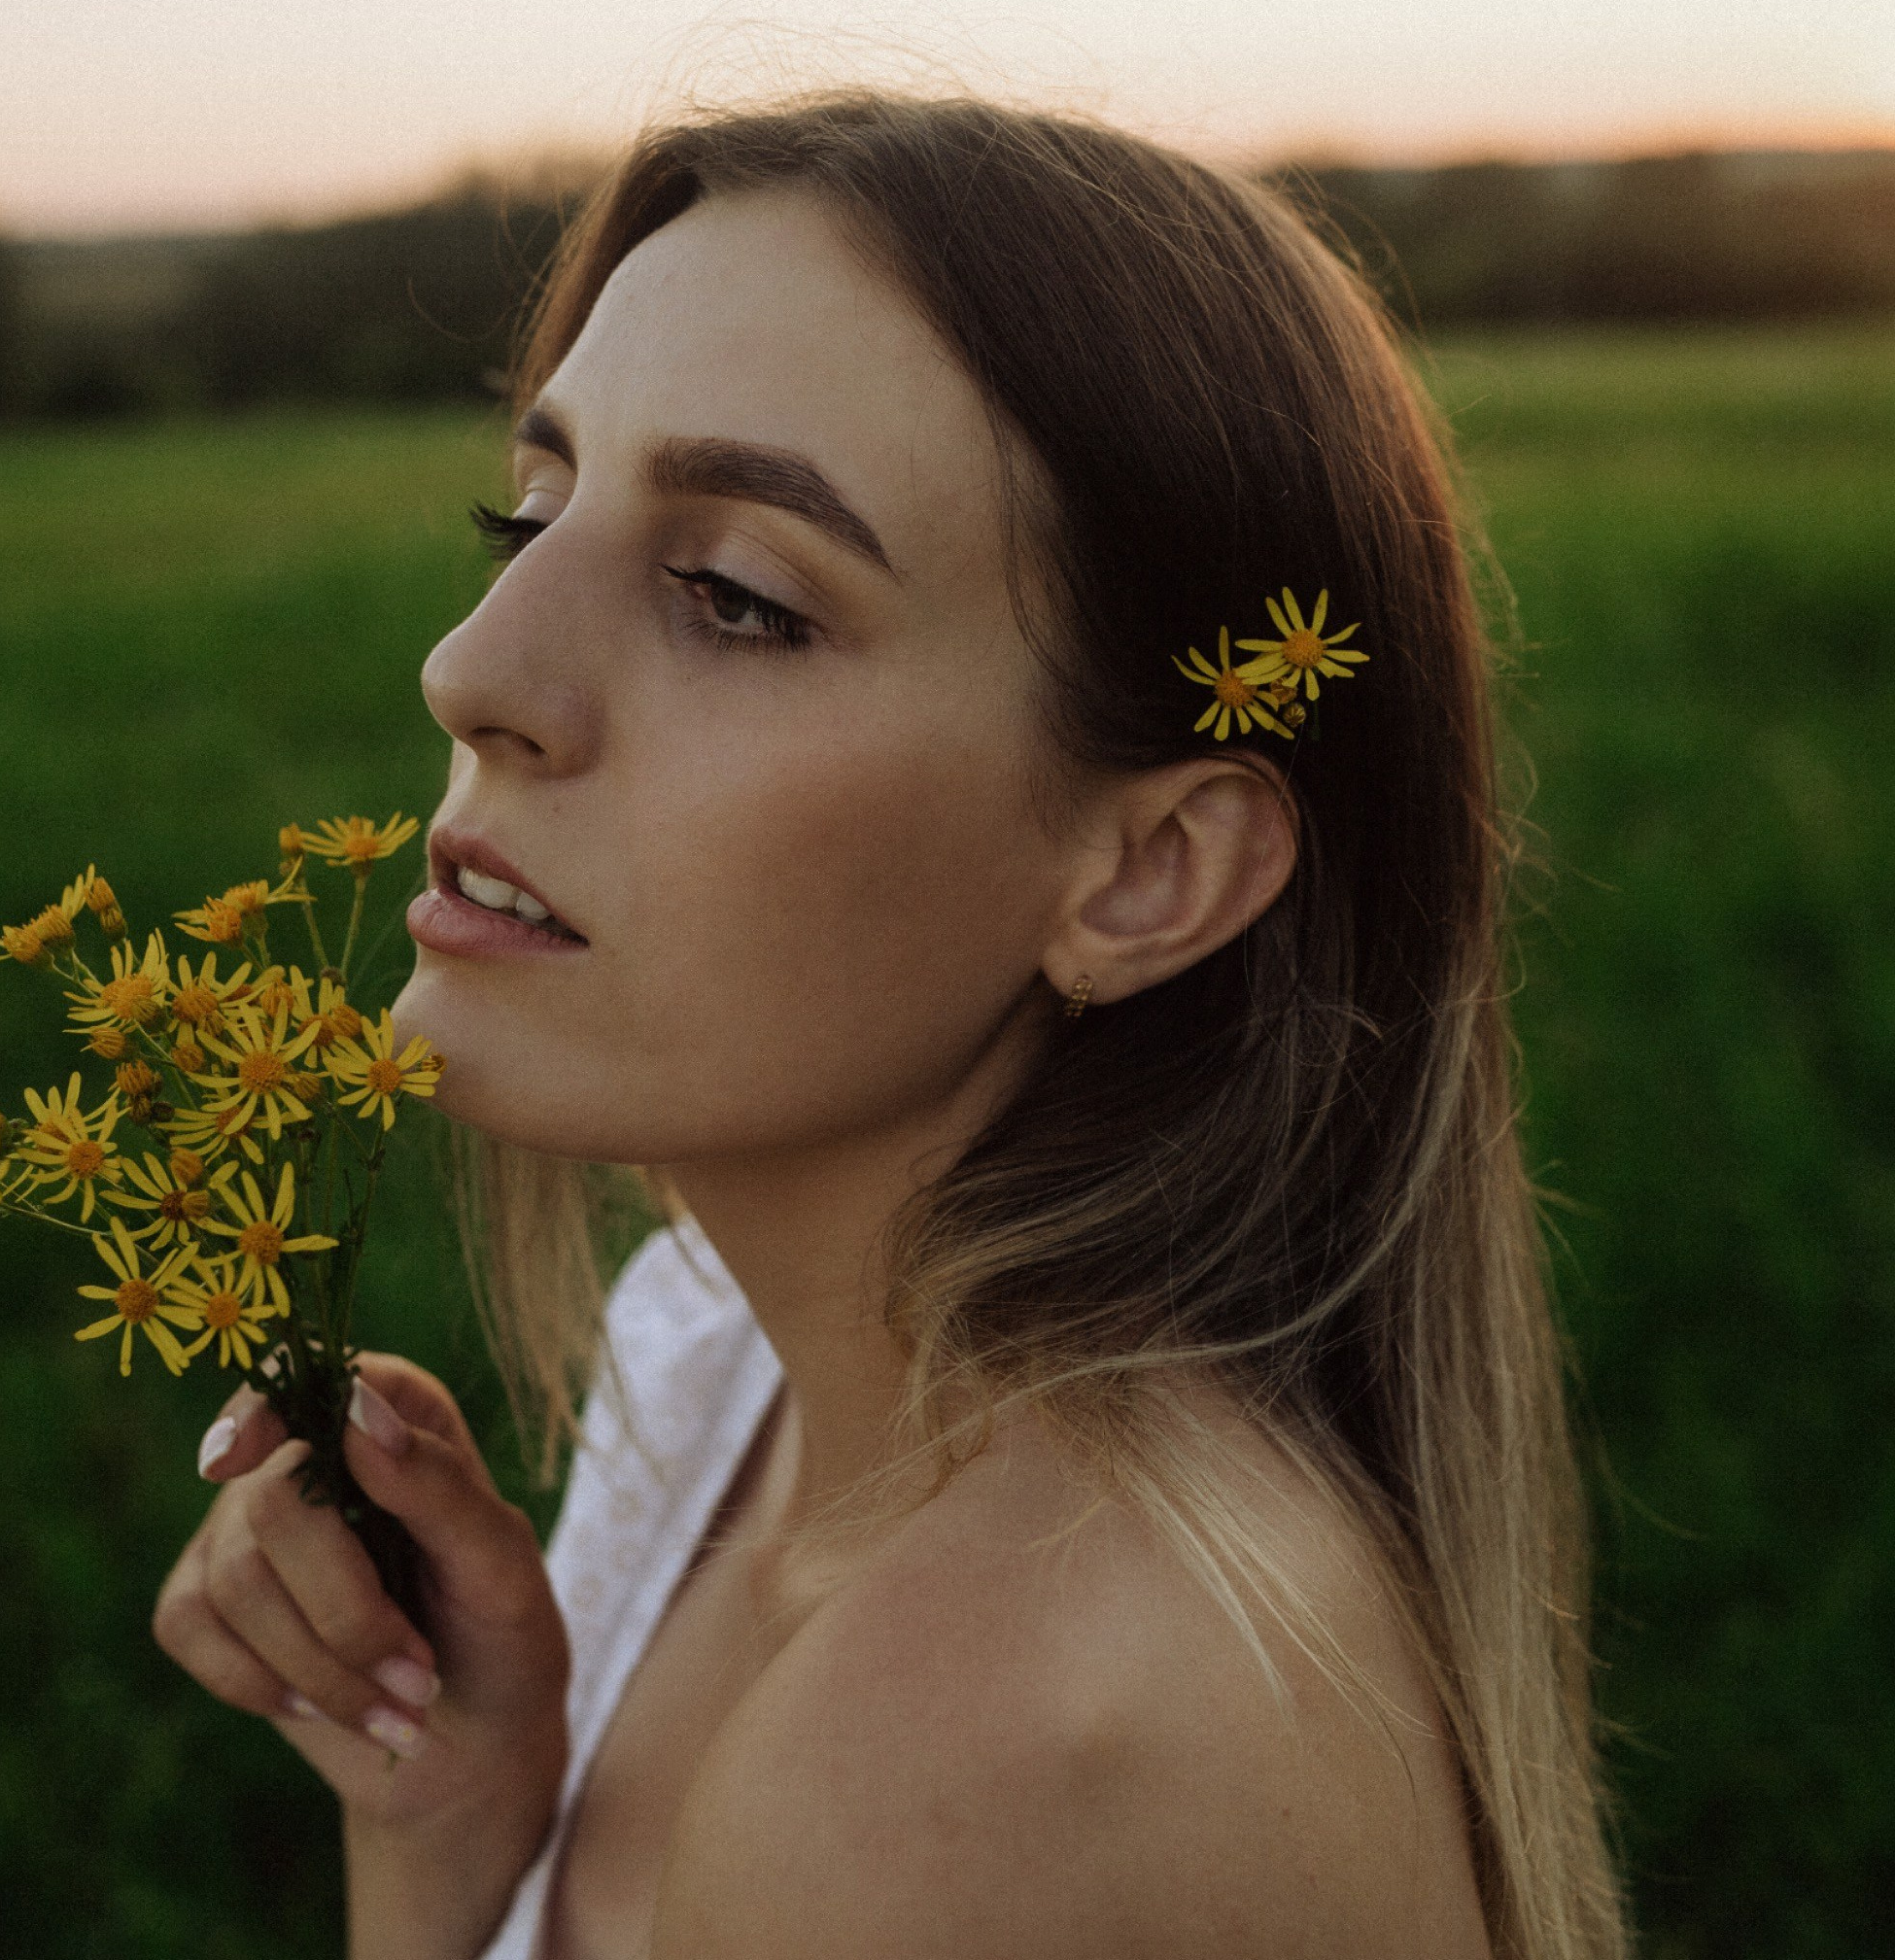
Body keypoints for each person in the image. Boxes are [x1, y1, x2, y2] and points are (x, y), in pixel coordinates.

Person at [153, 93, 1628, 1960]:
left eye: (735, 598)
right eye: (526, 514)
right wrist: (451, 1829)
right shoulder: (724, 1361)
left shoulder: (975, 1751)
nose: (475, 669)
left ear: (1150, 872)